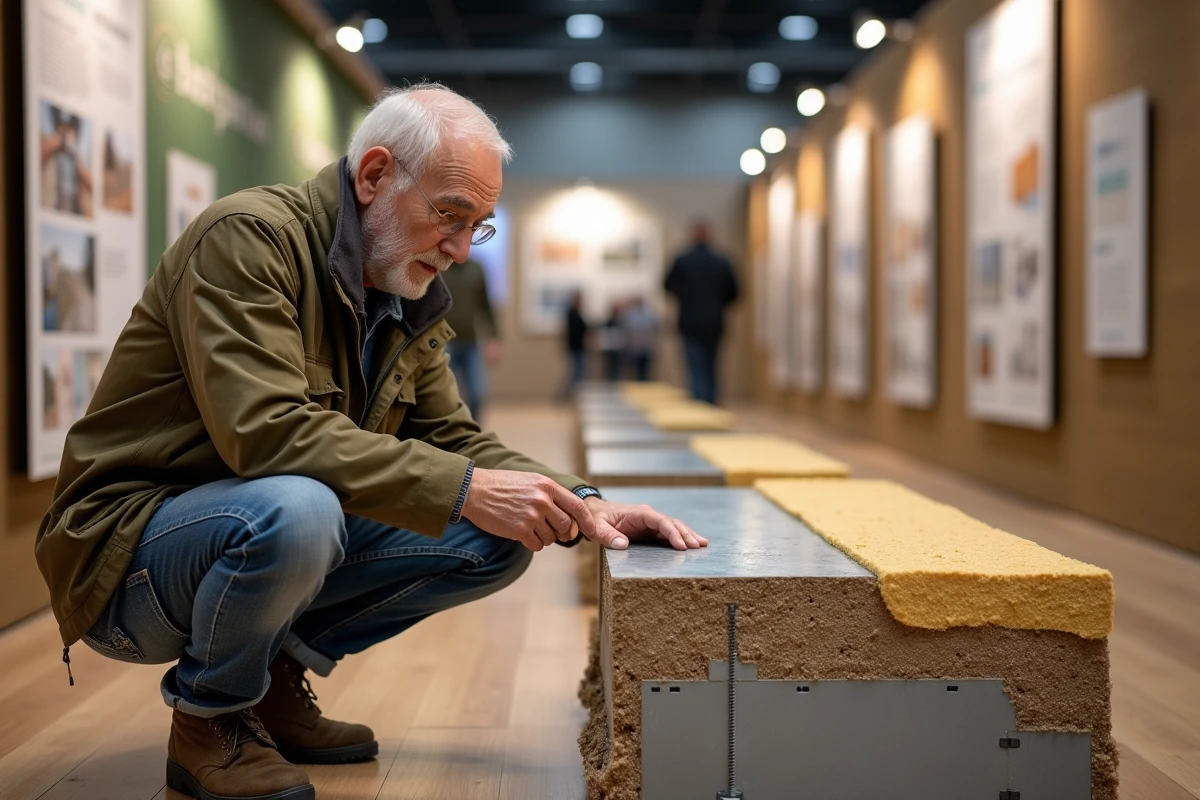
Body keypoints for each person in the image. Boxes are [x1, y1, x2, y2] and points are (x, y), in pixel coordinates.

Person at [36, 84, 707, 800]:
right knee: (299, 509)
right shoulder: (246, 239)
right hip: (127, 557)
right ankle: (212, 718)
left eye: (477, 226)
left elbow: (454, 437)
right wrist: (466, 489)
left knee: (509, 530)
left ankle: (265, 683)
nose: (458, 250)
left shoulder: (404, 295)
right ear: (375, 174)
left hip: (243, 532)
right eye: (450, 215)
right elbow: (265, 435)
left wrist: (581, 502)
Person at [664, 221, 739, 404]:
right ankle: (710, 404)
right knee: (711, 367)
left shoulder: (683, 260)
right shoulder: (722, 261)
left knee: (695, 367)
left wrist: (685, 298)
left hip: (690, 322)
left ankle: (700, 404)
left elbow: (667, 286)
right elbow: (735, 293)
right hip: (714, 322)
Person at [441, 257, 500, 421]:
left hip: (470, 342)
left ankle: (473, 432)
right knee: (445, 397)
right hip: (444, 344)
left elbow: (486, 306)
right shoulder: (439, 268)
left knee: (477, 394)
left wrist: (493, 338)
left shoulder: (476, 269)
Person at [621, 296, 658, 381]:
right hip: (636, 347)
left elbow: (655, 329)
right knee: (636, 370)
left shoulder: (648, 314)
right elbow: (627, 331)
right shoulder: (631, 314)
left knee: (645, 370)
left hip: (645, 347)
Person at [561, 290, 589, 400]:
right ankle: (566, 396)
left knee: (576, 374)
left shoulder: (575, 313)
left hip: (578, 347)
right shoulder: (572, 314)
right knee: (575, 374)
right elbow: (581, 328)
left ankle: (572, 396)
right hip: (575, 347)